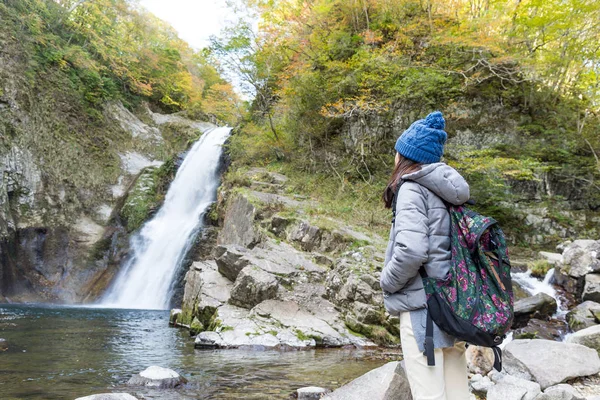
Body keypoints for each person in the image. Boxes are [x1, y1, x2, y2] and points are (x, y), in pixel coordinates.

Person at [380, 111, 471, 400]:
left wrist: (387, 282)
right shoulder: (446, 191)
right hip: (453, 307)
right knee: (457, 394)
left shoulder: (411, 189)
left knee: (429, 395)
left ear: (405, 155)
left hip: (423, 311)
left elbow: (412, 250)